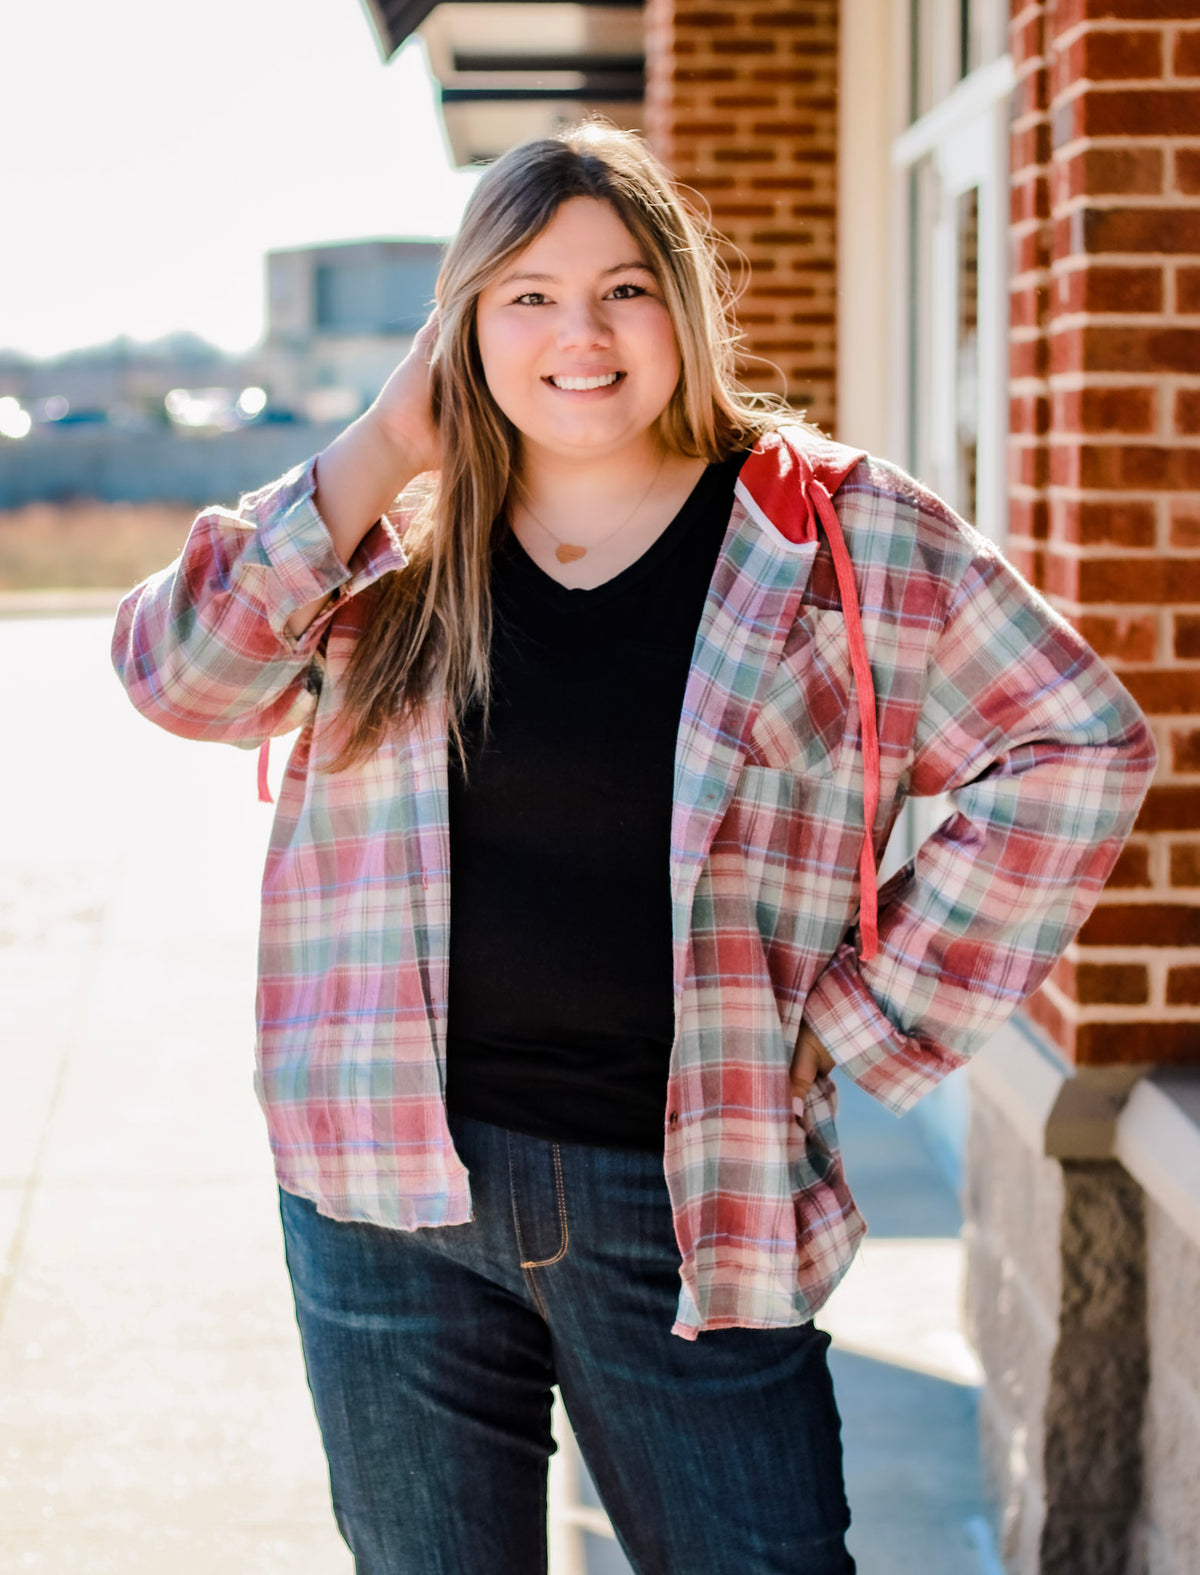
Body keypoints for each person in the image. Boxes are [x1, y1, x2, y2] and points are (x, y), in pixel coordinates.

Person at [112, 119, 1156, 1575]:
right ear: (460, 327)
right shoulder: (392, 546)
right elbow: (178, 678)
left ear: (685, 303)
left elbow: (1076, 747)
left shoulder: (835, 539)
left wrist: (864, 1012)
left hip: (688, 1199)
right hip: (386, 1194)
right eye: (526, 294)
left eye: (622, 289)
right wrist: (383, 444)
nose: (579, 334)